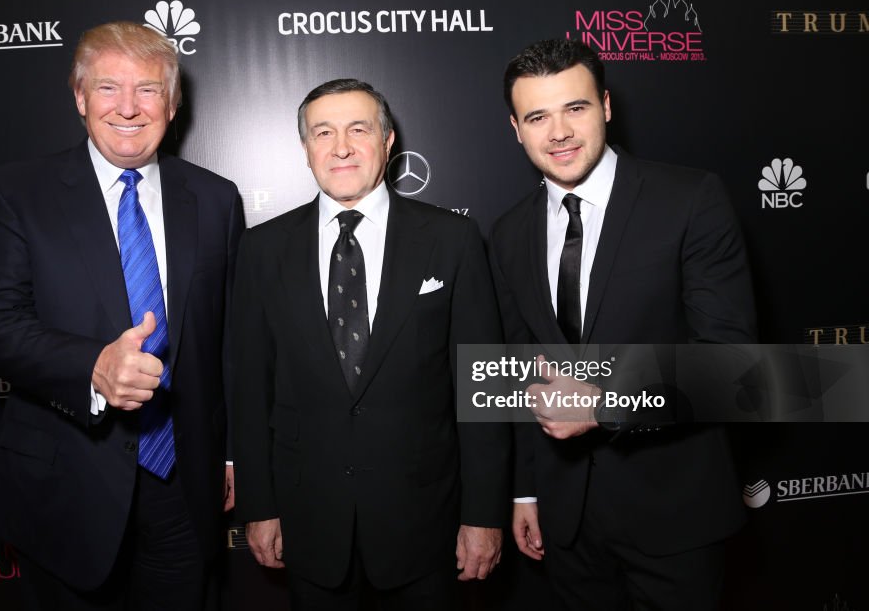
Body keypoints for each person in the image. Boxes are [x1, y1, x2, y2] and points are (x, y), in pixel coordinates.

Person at [0, 21, 243, 609]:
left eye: (147, 89)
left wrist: (229, 452)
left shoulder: (216, 198)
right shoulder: (16, 191)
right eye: (108, 88)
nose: (128, 108)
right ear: (79, 96)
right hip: (65, 484)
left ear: (172, 102)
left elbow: (229, 341)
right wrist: (92, 366)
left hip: (182, 488)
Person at [489, 39, 756, 610]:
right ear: (516, 129)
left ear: (606, 106)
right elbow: (520, 372)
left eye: (575, 108)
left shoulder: (689, 199)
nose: (558, 131)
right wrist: (526, 490)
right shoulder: (508, 234)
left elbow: (733, 367)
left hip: (674, 518)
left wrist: (603, 403)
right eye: (538, 116)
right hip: (568, 523)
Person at [231, 79, 509, 610]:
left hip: (425, 524)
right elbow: (249, 390)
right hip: (309, 522)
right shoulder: (262, 249)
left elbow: (484, 391)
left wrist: (483, 514)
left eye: (358, 129)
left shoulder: (451, 239)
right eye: (323, 132)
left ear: (387, 141)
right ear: (306, 149)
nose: (341, 147)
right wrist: (259, 506)